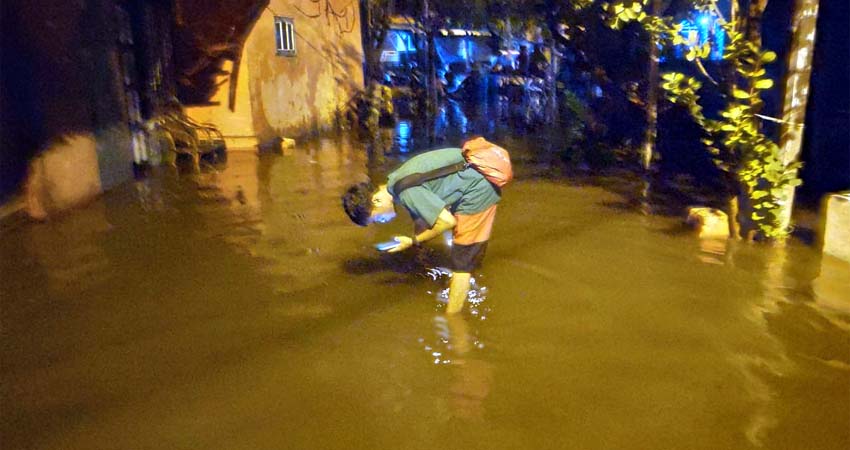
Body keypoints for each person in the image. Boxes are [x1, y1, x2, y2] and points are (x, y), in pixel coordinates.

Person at [342, 146, 501, 314]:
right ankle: (462, 285)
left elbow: (447, 222)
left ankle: (454, 321)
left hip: (479, 188)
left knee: (462, 263)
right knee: (459, 252)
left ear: (377, 201)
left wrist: (413, 241)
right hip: (472, 174)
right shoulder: (395, 181)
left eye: (378, 218)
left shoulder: (406, 192)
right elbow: (421, 217)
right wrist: (419, 254)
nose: (382, 222)